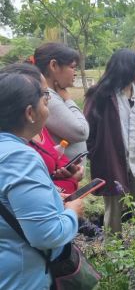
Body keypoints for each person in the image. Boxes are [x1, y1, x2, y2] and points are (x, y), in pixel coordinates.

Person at [0, 68, 83, 290]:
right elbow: (46, 235)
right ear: (30, 113)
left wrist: (51, 195)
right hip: (21, 278)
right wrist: (72, 212)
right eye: (45, 99)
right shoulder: (19, 157)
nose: (48, 106)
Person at [84, 49, 135, 234]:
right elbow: (87, 129)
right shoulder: (100, 96)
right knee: (113, 212)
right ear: (124, 68)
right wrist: (97, 154)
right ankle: (114, 255)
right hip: (112, 163)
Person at [0, 63, 84, 194]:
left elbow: (56, 158)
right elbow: (39, 200)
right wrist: (71, 182)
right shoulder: (20, 155)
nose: (48, 99)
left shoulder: (37, 128)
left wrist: (63, 174)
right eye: (44, 93)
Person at [32, 42, 89, 161]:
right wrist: (68, 99)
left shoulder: (51, 94)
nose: (75, 72)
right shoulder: (48, 98)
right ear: (54, 66)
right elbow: (81, 131)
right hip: (58, 176)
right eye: (72, 67)